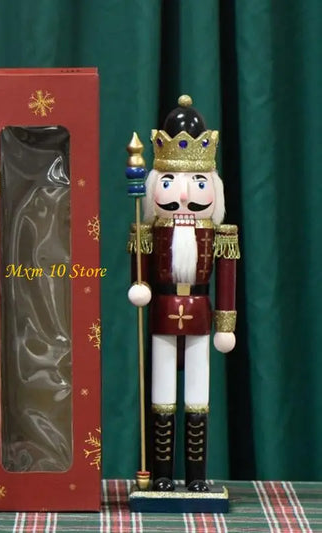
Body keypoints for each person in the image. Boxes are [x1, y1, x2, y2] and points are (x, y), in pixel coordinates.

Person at [128, 95, 239, 492]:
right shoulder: (150, 231)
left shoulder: (220, 234)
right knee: (161, 394)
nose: (185, 194)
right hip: (162, 310)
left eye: (198, 182)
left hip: (200, 314)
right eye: (171, 182)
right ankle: (161, 474)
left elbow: (226, 278)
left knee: (197, 395)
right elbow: (139, 269)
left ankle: (196, 477)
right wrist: (140, 285)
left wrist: (226, 324)